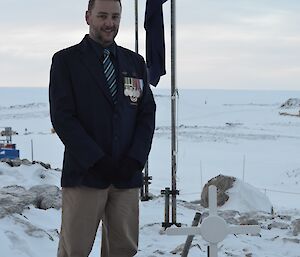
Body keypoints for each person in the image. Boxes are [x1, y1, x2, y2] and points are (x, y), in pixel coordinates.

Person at [49, 0, 156, 256]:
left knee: (123, 249)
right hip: (85, 176)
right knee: (74, 249)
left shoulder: (135, 63)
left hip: (125, 178)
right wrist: (96, 160)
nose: (110, 23)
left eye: (115, 17)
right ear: (88, 17)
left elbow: (146, 115)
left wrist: (135, 160)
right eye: (103, 16)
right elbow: (63, 118)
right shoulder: (66, 61)